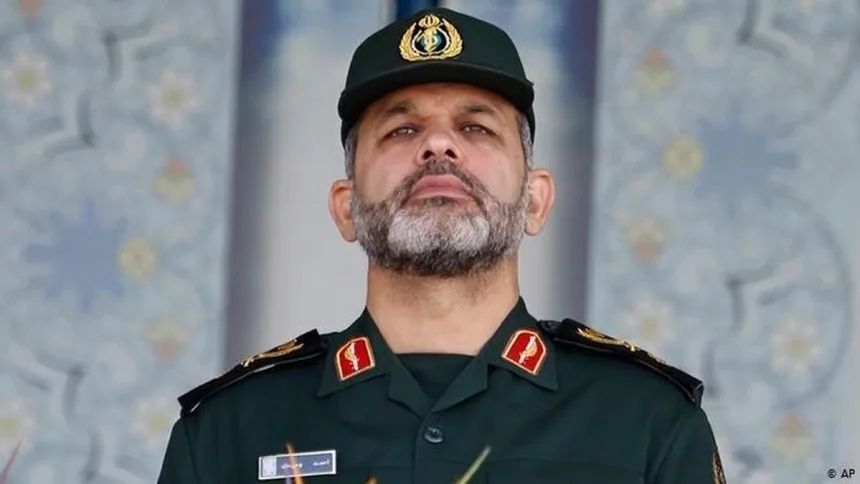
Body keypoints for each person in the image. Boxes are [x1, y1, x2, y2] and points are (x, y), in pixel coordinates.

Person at [157, 6, 726, 484]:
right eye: (401, 129)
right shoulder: (228, 432)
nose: (437, 145)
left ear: (535, 201)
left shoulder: (647, 423)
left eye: (476, 127)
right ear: (346, 208)